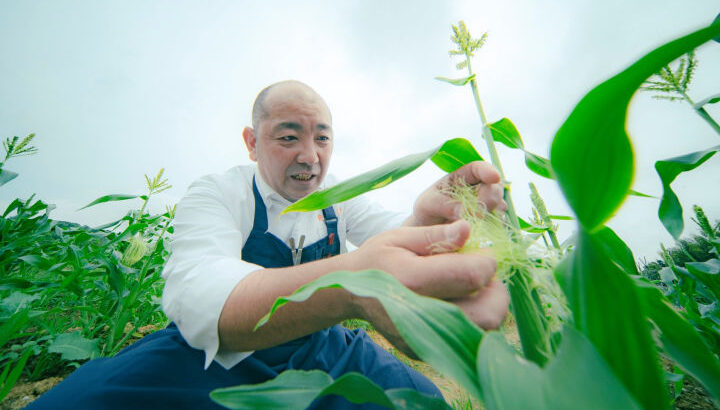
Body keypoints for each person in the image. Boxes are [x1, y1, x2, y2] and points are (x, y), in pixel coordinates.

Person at [28, 80, 509, 409]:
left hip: (325, 349)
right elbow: (202, 297)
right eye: (288, 136)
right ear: (252, 142)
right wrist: (351, 286)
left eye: (322, 138)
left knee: (420, 401)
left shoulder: (339, 200)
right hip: (217, 360)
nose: (309, 155)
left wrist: (425, 223)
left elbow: (391, 233)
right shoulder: (218, 193)